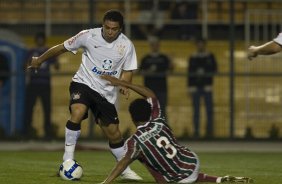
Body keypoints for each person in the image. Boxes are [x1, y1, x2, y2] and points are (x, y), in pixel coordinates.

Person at [28, 10, 142, 180]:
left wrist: (125, 85)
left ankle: (124, 170)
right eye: (107, 27)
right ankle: (67, 159)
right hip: (83, 83)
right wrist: (40, 60)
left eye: (114, 29)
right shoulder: (87, 36)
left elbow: (128, 69)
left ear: (120, 29)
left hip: (105, 93)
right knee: (78, 111)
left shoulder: (126, 45)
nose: (110, 32)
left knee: (114, 133)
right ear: (102, 25)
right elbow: (61, 48)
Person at [100, 75, 253, 184]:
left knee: (142, 157)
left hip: (179, 178)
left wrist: (106, 182)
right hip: (192, 160)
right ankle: (219, 179)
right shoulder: (158, 118)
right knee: (170, 163)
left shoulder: (135, 141)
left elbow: (123, 163)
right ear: (149, 111)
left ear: (132, 118)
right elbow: (150, 94)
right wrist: (122, 83)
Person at [24, 32, 60, 139]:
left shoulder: (48, 51)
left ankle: (47, 133)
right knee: (30, 109)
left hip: (44, 83)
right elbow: (24, 65)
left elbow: (57, 65)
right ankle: (28, 132)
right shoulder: (31, 51)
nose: (40, 40)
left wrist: (56, 61)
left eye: (41, 38)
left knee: (47, 109)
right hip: (33, 83)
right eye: (38, 38)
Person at [187, 38, 217, 138]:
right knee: (196, 111)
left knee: (209, 110)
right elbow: (189, 73)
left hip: (207, 87)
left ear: (204, 45)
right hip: (196, 87)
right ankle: (196, 131)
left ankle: (209, 131)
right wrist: (190, 87)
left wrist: (208, 79)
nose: (200, 46)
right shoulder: (193, 57)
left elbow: (214, 70)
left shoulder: (210, 56)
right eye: (198, 44)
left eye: (202, 44)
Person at [139, 36, 173, 118]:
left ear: (158, 45)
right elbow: (140, 71)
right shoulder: (145, 59)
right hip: (148, 90)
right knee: (149, 111)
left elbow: (170, 70)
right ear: (151, 45)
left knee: (162, 111)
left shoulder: (164, 58)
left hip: (161, 89)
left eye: (156, 44)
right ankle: (150, 130)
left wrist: (171, 61)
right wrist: (148, 72)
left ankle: (162, 130)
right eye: (153, 44)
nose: (155, 46)